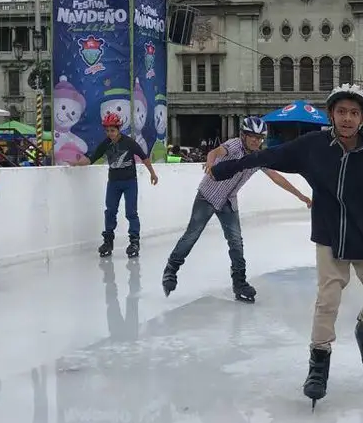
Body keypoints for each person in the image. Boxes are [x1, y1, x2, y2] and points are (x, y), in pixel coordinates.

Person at [208, 85, 363, 407]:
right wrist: (225, 168)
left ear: (362, 119)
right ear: (331, 114)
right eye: (341, 111)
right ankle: (319, 363)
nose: (347, 118)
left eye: (354, 113)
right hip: (331, 236)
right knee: (327, 299)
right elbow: (266, 156)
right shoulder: (313, 147)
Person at [162, 116, 311, 301]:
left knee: (236, 242)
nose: (256, 141)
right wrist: (210, 162)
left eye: (259, 138)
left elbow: (276, 177)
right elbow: (215, 152)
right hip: (207, 196)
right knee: (192, 235)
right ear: (243, 136)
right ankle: (171, 269)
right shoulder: (234, 145)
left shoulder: (259, 158)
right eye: (252, 136)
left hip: (228, 202)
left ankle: (239, 282)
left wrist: (301, 196)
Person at [75, 112, 159, 259]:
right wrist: (77, 164)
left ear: (119, 129)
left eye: (112, 130)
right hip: (113, 183)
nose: (110, 134)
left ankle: (134, 241)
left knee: (131, 212)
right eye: (107, 131)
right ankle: (108, 241)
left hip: (129, 182)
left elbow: (144, 157)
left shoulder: (129, 142)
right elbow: (91, 159)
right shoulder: (106, 143)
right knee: (110, 211)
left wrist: (152, 173)